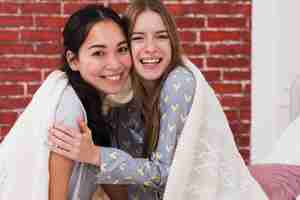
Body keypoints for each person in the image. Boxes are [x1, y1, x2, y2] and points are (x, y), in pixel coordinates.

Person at [48, 0, 268, 200]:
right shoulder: (123, 94)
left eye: (161, 36)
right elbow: (128, 181)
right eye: (138, 38)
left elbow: (166, 172)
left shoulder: (178, 82)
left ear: (172, 41)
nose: (151, 48)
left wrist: (96, 154)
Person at [0, 4, 132, 200]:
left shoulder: (94, 103)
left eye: (122, 49)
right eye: (98, 53)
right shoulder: (70, 110)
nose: (115, 64)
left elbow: (120, 195)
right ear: (73, 60)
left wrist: (96, 154)